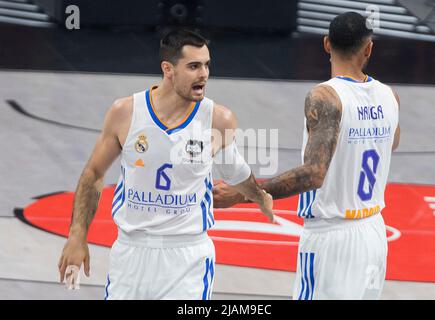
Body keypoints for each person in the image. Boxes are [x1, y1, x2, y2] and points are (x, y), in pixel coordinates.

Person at [58, 29, 273, 300]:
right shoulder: (125, 112)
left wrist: (260, 197)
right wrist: (77, 236)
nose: (204, 74)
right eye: (194, 66)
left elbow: (236, 172)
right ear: (168, 69)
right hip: (131, 253)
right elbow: (94, 173)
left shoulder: (218, 119)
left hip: (187, 257)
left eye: (207, 65)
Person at [213, 12, 400, 300]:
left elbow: (314, 173)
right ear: (369, 49)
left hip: (332, 238)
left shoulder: (326, 96)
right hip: (374, 232)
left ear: (326, 44)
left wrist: (245, 193)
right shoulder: (390, 96)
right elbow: (391, 143)